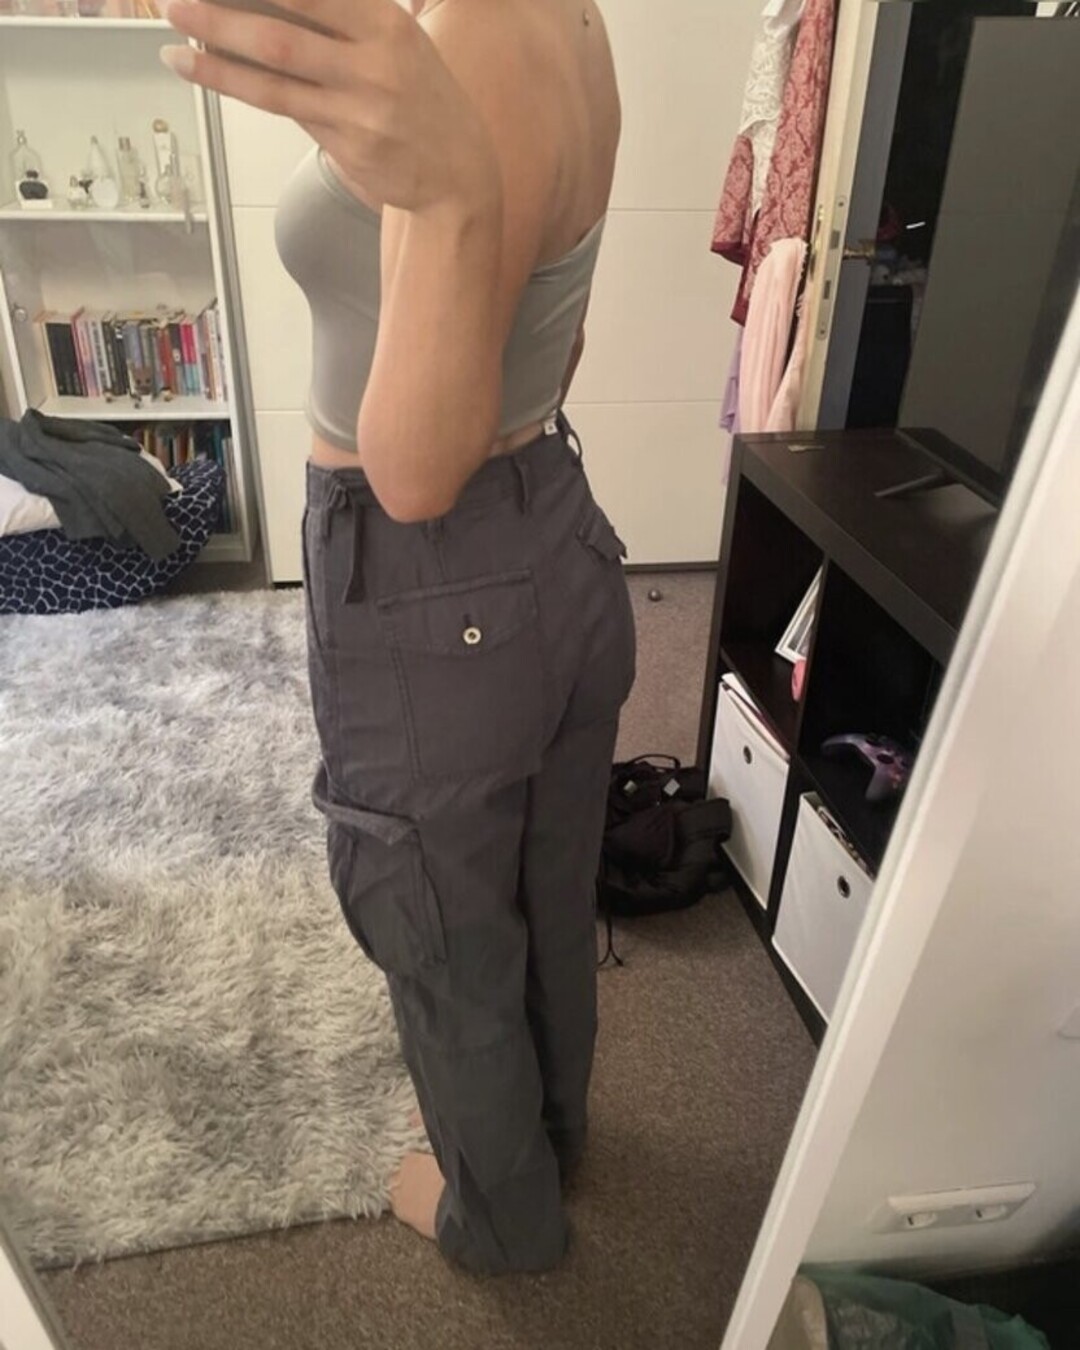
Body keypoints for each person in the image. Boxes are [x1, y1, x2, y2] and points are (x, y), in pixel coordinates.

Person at [160, 0, 636, 1275]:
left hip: (430, 571)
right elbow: (560, 337)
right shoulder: (574, 23)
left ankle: (505, 1220)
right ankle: (552, 1138)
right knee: (542, 887)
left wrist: (453, 200)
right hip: (556, 525)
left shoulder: (471, 33)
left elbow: (415, 477)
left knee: (441, 929)